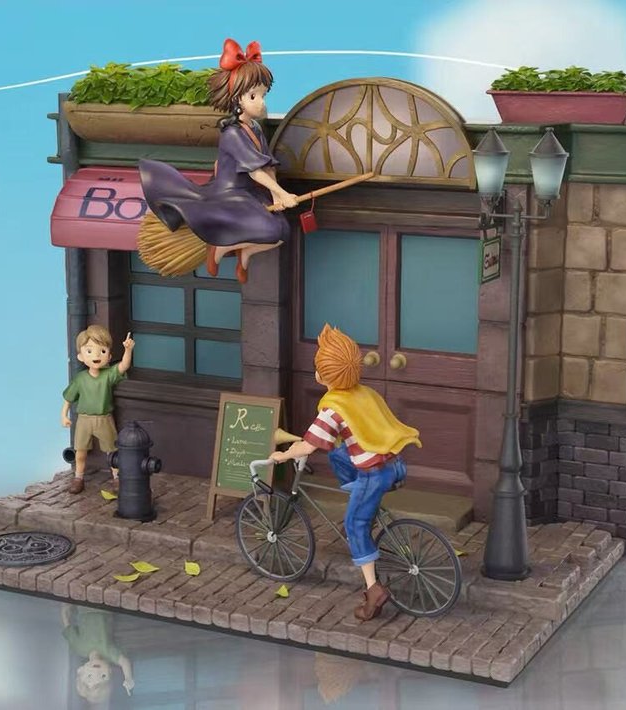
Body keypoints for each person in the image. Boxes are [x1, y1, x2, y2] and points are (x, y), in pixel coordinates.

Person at [271, 324, 420, 622]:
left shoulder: (332, 410)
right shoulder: (364, 393)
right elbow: (348, 435)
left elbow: (308, 446)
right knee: (338, 454)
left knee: (354, 526)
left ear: (323, 375)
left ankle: (373, 589)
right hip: (394, 465)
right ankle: (362, 504)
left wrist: (283, 454)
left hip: (374, 474)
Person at [138, 38, 299, 283]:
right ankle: (219, 248)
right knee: (271, 230)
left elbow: (267, 164)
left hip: (250, 193)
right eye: (253, 96)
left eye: (263, 95)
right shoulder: (232, 133)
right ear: (236, 99)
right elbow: (255, 171)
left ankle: (244, 256)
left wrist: (277, 196)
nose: (261, 102)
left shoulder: (255, 128)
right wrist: (282, 193)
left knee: (282, 232)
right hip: (230, 193)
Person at [62, 325, 135, 494]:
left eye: (102, 351)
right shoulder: (80, 379)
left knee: (112, 451)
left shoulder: (108, 375)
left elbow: (123, 366)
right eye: (89, 351)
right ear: (81, 356)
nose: (96, 356)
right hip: (84, 419)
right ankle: (78, 478)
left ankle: (117, 477)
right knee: (80, 451)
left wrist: (128, 350)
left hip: (104, 419)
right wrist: (63, 415)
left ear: (109, 356)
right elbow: (68, 398)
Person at [62, 604, 135, 704]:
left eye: (89, 676)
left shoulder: (79, 647)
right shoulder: (109, 652)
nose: (96, 672)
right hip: (105, 607)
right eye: (103, 676)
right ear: (110, 671)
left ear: (81, 670)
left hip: (83, 607)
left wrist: (65, 610)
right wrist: (128, 678)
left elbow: (68, 630)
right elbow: (124, 662)